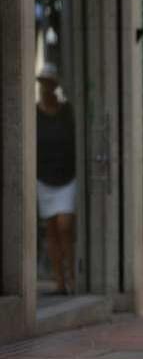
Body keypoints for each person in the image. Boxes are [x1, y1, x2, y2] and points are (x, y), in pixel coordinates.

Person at [36, 63, 77, 295]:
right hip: (43, 178)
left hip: (67, 176)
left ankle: (72, 274)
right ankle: (60, 281)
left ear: (55, 86)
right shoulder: (34, 113)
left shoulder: (66, 111)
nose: (45, 89)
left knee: (65, 225)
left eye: (49, 84)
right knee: (51, 229)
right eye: (42, 84)